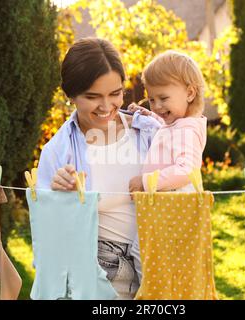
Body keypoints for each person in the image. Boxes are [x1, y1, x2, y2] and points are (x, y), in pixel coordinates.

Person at [36, 37, 161, 299]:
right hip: (100, 272)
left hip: (156, 261)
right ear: (70, 95)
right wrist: (60, 199)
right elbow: (48, 239)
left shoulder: (148, 133)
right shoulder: (58, 152)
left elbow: (185, 186)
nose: (106, 107)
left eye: (115, 94)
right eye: (93, 97)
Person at [128, 50, 208, 280]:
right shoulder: (178, 124)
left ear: (190, 93)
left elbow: (188, 169)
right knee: (144, 256)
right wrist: (148, 115)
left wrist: (146, 182)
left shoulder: (187, 131)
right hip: (163, 208)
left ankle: (158, 297)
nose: (157, 106)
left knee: (150, 261)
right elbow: (165, 129)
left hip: (173, 210)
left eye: (163, 99)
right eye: (152, 100)